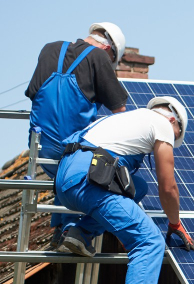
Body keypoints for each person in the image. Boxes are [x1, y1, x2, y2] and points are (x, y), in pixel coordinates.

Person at [54, 96, 194, 284]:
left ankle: (80, 234)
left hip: (68, 178)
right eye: (175, 136)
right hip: (90, 181)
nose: (172, 141)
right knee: (149, 241)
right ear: (173, 120)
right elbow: (168, 187)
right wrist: (174, 222)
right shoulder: (162, 124)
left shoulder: (125, 119)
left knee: (138, 187)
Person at [26, 22, 129, 239]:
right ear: (108, 49)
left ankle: (59, 231)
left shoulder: (49, 48)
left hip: (39, 145)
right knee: (95, 175)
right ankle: (71, 229)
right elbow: (119, 109)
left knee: (67, 170)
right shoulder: (99, 57)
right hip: (71, 146)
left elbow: (33, 92)